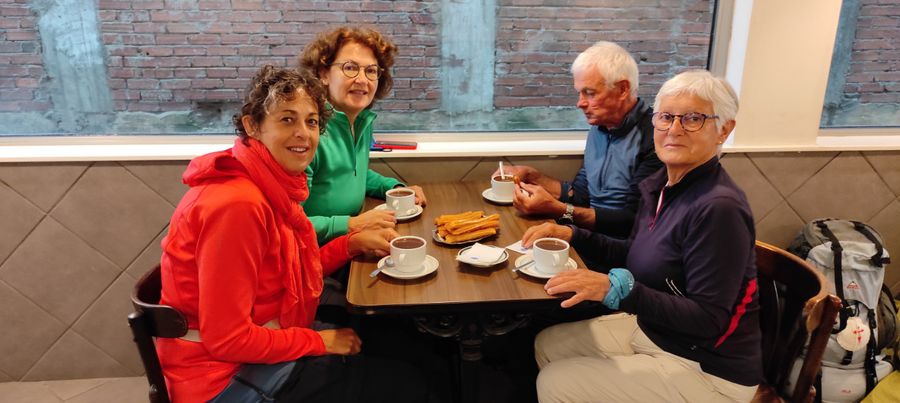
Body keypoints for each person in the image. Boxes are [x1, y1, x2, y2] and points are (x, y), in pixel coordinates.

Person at [156, 65, 425, 402]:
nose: (304, 133)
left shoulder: (271, 181)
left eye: (311, 122)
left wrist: (349, 245)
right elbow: (226, 339)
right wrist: (318, 342)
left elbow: (291, 270)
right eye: (287, 119)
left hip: (258, 345)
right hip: (221, 380)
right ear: (252, 126)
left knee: (398, 345)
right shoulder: (236, 205)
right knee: (409, 384)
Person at [522, 70, 761, 402]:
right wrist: (572, 234)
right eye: (665, 117)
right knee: (547, 344)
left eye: (693, 118)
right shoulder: (664, 186)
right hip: (658, 331)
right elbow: (638, 254)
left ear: (724, 129)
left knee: (555, 382)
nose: (674, 130)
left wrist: (618, 290)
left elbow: (709, 319)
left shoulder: (719, 208)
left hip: (708, 368)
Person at [497, 41, 662, 239]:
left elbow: (630, 221)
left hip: (620, 248)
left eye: (590, 93)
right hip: (589, 235)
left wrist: (559, 210)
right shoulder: (599, 128)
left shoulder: (655, 137)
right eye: (579, 93)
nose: (580, 103)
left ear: (623, 89)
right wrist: (532, 176)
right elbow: (582, 194)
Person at [298, 26, 427, 244]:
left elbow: (353, 175)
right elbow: (287, 224)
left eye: (371, 71)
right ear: (324, 74)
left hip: (348, 241)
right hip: (313, 256)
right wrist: (352, 224)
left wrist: (396, 188)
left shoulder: (359, 121)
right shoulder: (307, 133)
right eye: (350, 68)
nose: (362, 79)